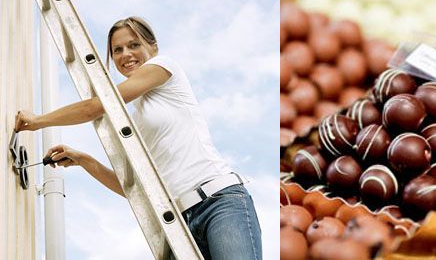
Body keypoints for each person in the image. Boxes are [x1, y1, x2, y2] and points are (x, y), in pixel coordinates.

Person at [15, 16, 262, 260]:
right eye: (117, 50)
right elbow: (134, 190)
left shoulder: (165, 68)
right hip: (178, 226)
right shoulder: (133, 123)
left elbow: (95, 107)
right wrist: (84, 160)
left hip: (217, 203)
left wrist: (37, 121)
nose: (125, 55)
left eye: (134, 45)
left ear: (153, 47)